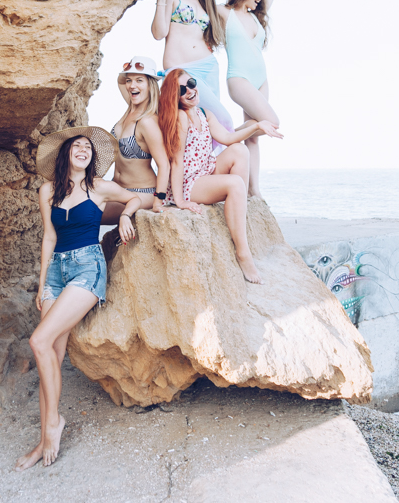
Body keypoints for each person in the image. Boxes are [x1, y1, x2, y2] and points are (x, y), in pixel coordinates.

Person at [16, 128, 141, 470]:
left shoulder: (99, 187)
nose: (83, 149)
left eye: (88, 146)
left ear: (92, 157)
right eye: (77, 146)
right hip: (56, 272)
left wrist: (125, 215)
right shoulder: (47, 191)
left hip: (87, 268)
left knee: (38, 341)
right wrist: (42, 284)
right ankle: (43, 439)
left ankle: (53, 425)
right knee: (51, 355)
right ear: (66, 154)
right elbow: (49, 237)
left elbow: (134, 198)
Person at [157, 69, 282, 284]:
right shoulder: (181, 118)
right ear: (174, 97)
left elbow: (228, 138)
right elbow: (176, 162)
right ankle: (243, 253)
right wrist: (180, 201)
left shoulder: (204, 113)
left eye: (191, 84)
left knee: (239, 150)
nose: (190, 91)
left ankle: (237, 204)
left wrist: (256, 126)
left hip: (206, 171)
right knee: (235, 183)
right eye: (181, 90)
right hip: (190, 183)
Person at [215, 0, 285, 199]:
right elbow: (200, 1)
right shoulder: (225, 12)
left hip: (261, 80)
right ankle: (225, 137)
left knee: (254, 142)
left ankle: (253, 190)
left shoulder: (257, 15)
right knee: (271, 122)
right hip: (239, 78)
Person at [151, 0, 234, 139]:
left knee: (206, 124)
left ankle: (210, 157)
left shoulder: (205, 0)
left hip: (208, 67)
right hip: (181, 70)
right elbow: (159, 33)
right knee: (223, 120)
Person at [104, 56, 169, 221]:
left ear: (150, 85)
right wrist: (130, 71)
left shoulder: (148, 121)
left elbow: (164, 164)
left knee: (88, 213)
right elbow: (120, 81)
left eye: (139, 80)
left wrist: (158, 200)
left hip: (141, 192)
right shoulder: (132, 106)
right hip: (117, 188)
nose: (132, 85)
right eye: (129, 80)